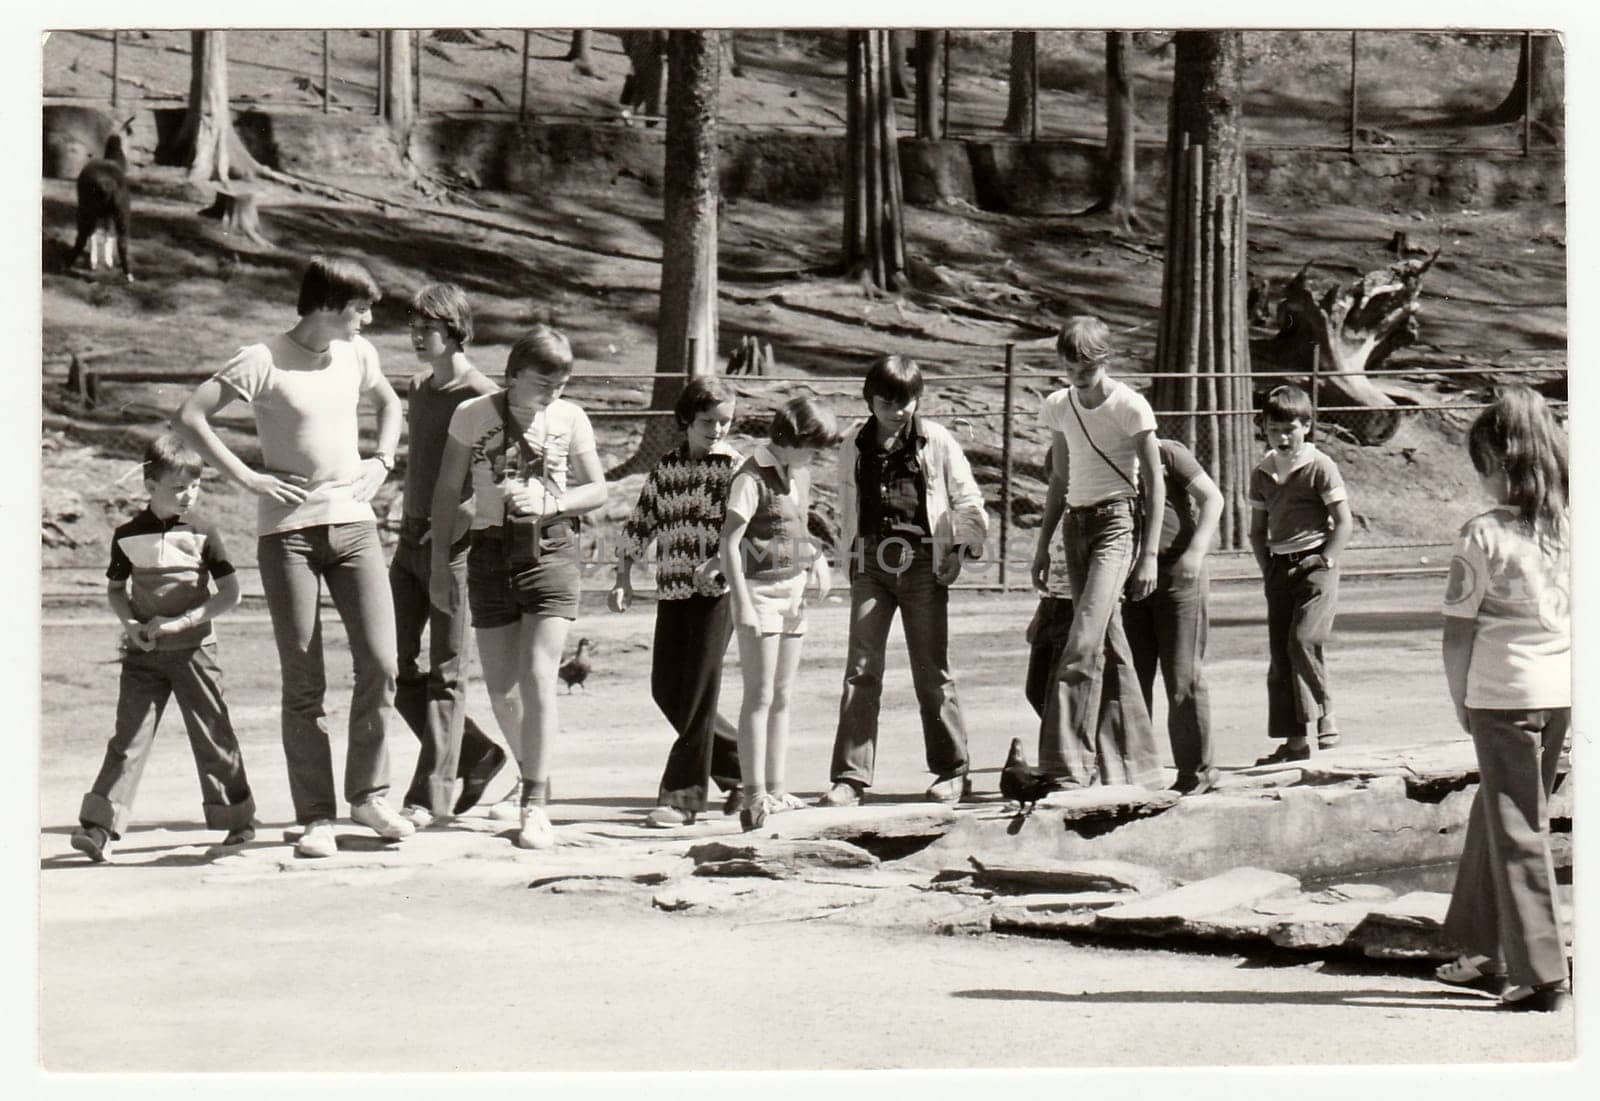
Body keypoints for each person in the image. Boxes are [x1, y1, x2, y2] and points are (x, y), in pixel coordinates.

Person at [174, 255, 413, 859]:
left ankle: (369, 794)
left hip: (356, 528)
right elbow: (190, 416)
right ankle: (316, 816)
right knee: (305, 681)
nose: (367, 319)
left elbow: (390, 405)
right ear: (329, 305)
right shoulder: (261, 358)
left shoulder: (359, 356)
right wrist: (248, 477)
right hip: (289, 537)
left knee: (383, 663)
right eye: (361, 308)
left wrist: (382, 461)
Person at [430, 325, 608, 850]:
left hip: (550, 547)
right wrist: (442, 563)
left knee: (537, 675)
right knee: (502, 689)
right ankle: (537, 773)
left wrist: (552, 504)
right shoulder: (473, 415)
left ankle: (534, 802)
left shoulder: (571, 418)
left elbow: (596, 488)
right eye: (542, 382)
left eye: (562, 382)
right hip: (487, 551)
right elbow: (447, 488)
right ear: (512, 375)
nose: (553, 392)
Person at [1437, 385, 1571, 1012]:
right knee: (1500, 813)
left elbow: (1457, 631)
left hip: (1502, 696)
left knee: (1518, 831)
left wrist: (1461, 699)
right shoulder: (1571, 524)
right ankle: (1479, 946)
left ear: (1500, 460)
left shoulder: (1480, 536)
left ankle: (1543, 974)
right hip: (1561, 692)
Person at [70, 436, 256, 862]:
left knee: (213, 734)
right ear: (149, 486)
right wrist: (131, 625)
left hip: (195, 653)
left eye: (195, 486)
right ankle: (99, 828)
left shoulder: (205, 533)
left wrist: (183, 622)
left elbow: (230, 593)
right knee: (128, 738)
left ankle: (236, 822)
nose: (188, 495)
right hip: (144, 655)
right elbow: (116, 590)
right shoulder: (126, 535)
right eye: (177, 488)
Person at [821, 355, 988, 807]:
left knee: (931, 669)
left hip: (922, 565)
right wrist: (850, 556)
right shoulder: (854, 443)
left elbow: (967, 498)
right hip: (871, 565)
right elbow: (846, 502)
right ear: (869, 400)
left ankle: (953, 771)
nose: (898, 411)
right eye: (887, 401)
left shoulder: (937, 441)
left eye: (908, 401)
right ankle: (850, 778)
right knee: (861, 670)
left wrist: (957, 552)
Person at [1029, 317, 1165, 789]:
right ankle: (1139, 764)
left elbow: (1154, 483)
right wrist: (1043, 544)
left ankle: (1065, 766)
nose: (1078, 375)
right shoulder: (1059, 406)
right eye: (1070, 366)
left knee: (1082, 641)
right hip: (1076, 524)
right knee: (1110, 642)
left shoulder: (1130, 406)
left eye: (1087, 365)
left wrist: (1148, 556)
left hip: (1116, 523)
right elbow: (1060, 480)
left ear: (1105, 359)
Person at [391, 283, 507, 830]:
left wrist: (450, 528)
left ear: (456, 330)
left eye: (428, 328)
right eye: (412, 326)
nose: (417, 337)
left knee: (446, 671)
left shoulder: (481, 395)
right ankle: (475, 752)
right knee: (391, 667)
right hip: (407, 540)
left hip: (454, 549)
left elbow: (491, 482)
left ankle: (427, 794)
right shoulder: (418, 386)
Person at [611, 376, 744, 827]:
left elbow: (750, 532)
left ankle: (682, 797)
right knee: (667, 689)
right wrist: (623, 577)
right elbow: (640, 524)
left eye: (726, 422)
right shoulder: (665, 468)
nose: (718, 430)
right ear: (687, 419)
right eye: (709, 421)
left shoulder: (735, 469)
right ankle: (745, 769)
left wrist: (721, 563)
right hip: (672, 592)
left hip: (717, 596)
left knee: (700, 694)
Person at [719, 396, 840, 831]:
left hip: (794, 594)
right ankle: (753, 797)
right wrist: (742, 602)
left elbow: (799, 526)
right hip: (760, 594)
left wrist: (817, 559)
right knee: (760, 695)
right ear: (791, 439)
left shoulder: (799, 473)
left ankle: (776, 787)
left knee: (783, 696)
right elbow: (729, 544)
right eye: (813, 446)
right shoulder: (749, 478)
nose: (817, 456)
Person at [1248, 384, 1353, 764]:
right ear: (1264, 429)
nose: (1283, 437)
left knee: (1304, 638)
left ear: (1306, 426)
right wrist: (1267, 568)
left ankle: (1327, 711)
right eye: (1275, 430)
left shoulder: (1320, 466)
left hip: (1315, 566)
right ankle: (1294, 743)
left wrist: (1324, 560)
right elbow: (1257, 530)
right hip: (1279, 566)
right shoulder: (1262, 472)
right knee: (1281, 655)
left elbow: (1343, 523)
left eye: (1290, 429)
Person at [1119, 437, 1223, 794]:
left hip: (1178, 574)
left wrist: (1195, 553)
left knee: (1182, 676)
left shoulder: (1167, 453)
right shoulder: (1100, 455)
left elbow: (1212, 498)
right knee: (1132, 680)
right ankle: (1139, 771)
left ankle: (1197, 770)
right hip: (1127, 579)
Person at [1024, 441, 1073, 718]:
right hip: (1052, 605)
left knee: (1066, 688)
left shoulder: (1094, 514)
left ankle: (1069, 751)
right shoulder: (1054, 519)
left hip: (1078, 607)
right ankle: (1057, 746)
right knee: (1037, 688)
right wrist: (1040, 615)